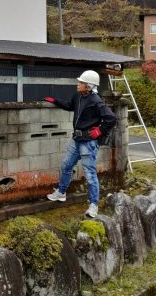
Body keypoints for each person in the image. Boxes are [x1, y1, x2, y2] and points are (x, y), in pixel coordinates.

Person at [43, 70, 116, 218]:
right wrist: (55, 101)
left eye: (81, 83)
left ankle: (93, 205)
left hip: (88, 143)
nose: (78, 84)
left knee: (89, 174)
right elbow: (70, 106)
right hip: (76, 140)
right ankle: (61, 192)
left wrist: (100, 131)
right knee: (66, 165)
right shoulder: (78, 96)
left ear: (88, 86)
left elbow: (111, 118)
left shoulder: (96, 101)